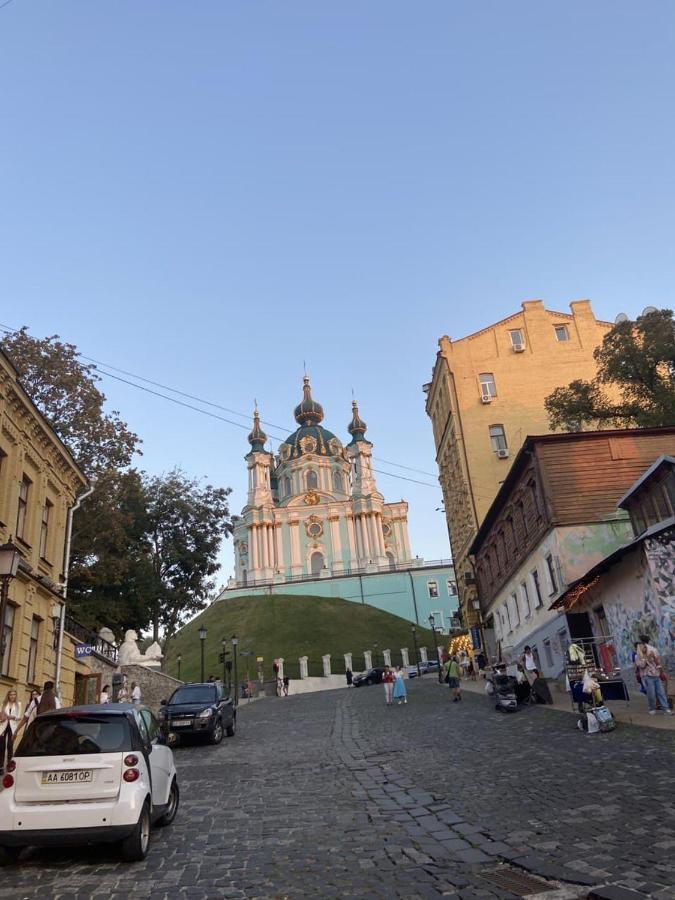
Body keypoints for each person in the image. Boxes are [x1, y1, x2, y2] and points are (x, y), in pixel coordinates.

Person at [635, 635, 672, 716]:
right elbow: (641, 665)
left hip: (656, 675)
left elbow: (658, 662)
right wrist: (647, 658)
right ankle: (652, 708)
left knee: (661, 692)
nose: (644, 648)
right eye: (642, 647)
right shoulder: (637, 656)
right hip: (647, 676)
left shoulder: (653, 651)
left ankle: (666, 709)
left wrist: (661, 671)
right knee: (651, 693)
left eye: (645, 647)